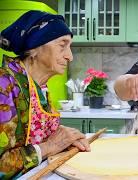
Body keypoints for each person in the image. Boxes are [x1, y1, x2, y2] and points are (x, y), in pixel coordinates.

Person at [0, 10, 90, 179]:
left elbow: (36, 139)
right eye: (62, 45)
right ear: (34, 48)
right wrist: (51, 146)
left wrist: (64, 138)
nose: (70, 57)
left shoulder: (39, 87)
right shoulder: (4, 85)